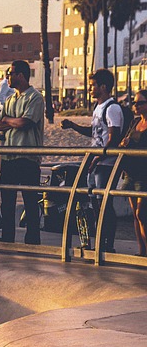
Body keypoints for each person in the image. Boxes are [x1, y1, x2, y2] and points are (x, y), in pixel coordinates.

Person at [61, 68, 125, 252]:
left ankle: (107, 244)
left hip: (106, 163)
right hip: (96, 161)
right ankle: (99, 241)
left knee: (104, 203)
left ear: (103, 87)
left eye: (93, 86)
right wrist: (73, 126)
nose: (90, 89)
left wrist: (99, 157)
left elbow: (114, 138)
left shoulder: (112, 108)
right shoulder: (98, 107)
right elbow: (95, 133)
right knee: (95, 202)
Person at [0, 59, 44, 245]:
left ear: (20, 76)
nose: (8, 77)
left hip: (28, 158)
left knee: (30, 201)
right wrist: (10, 121)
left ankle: (32, 239)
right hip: (8, 157)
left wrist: (8, 120)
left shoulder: (35, 98)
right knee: (7, 201)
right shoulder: (9, 99)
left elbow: (26, 123)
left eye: (10, 73)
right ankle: (7, 237)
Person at [118, 89, 147, 256]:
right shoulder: (135, 122)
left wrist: (133, 143)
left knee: (141, 213)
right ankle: (141, 250)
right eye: (135, 103)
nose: (136, 106)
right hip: (130, 171)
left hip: (143, 173)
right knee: (135, 216)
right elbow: (126, 140)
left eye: (140, 103)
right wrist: (124, 143)